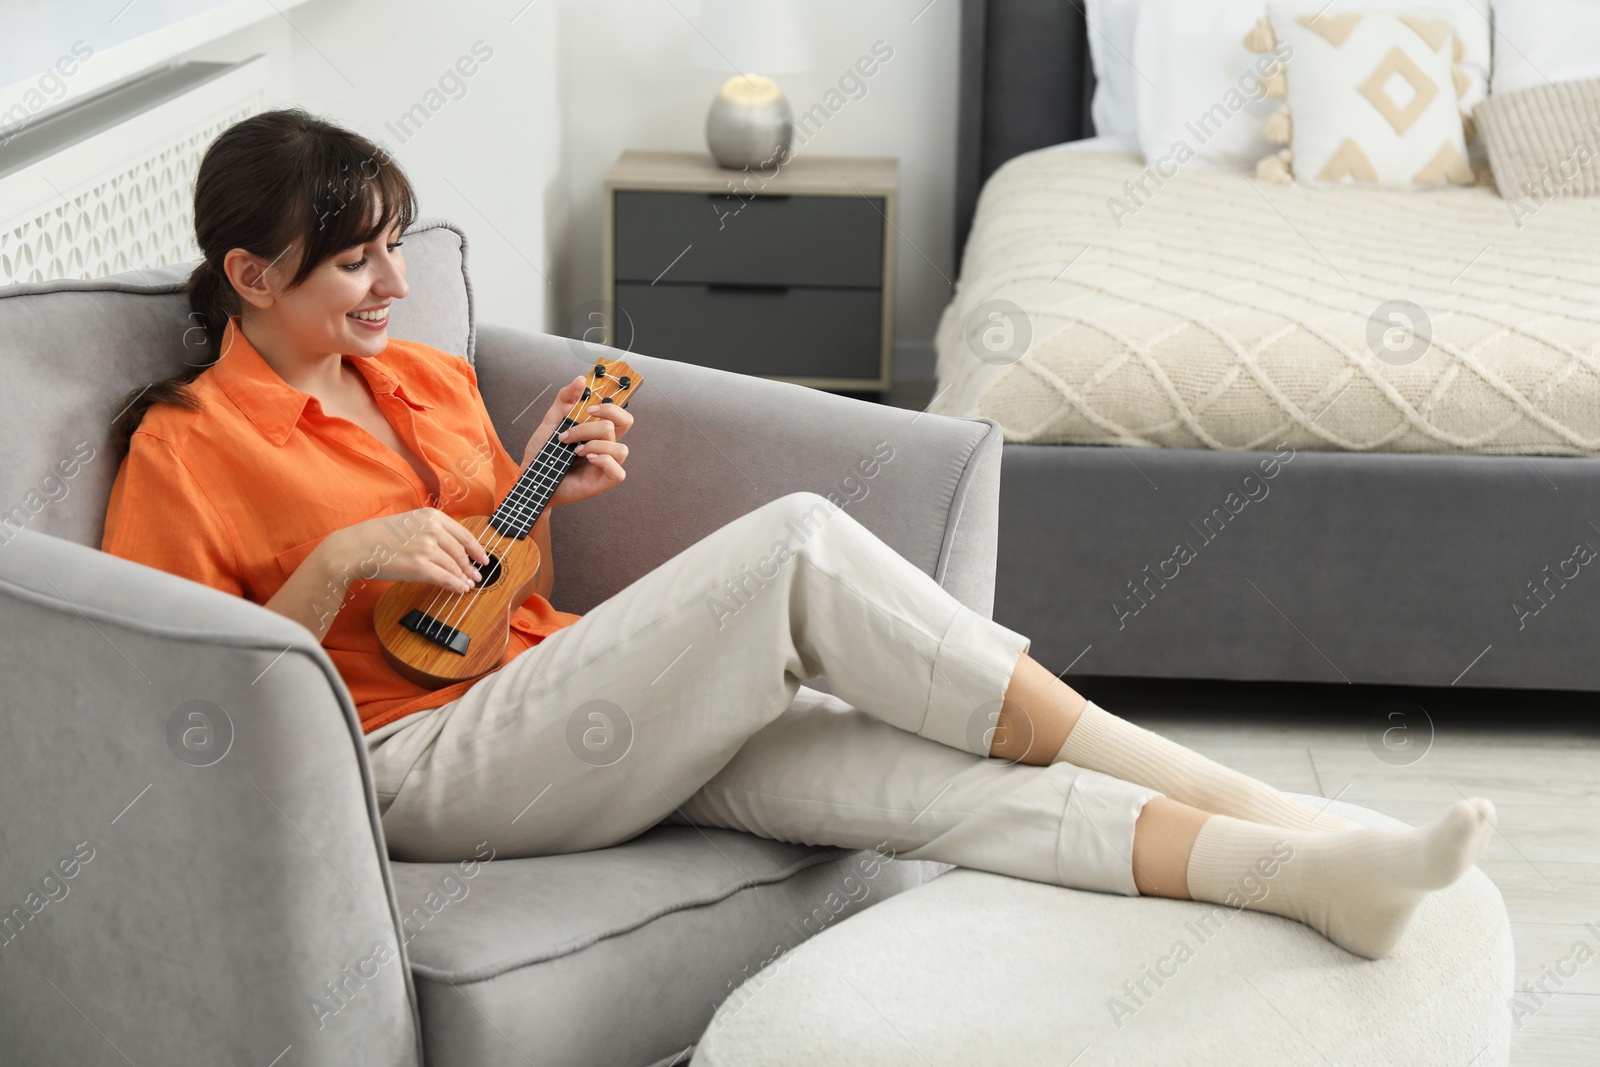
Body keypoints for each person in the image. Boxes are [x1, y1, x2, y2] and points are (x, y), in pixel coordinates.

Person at [102, 109, 1492, 962]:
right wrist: (339, 562)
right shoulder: (188, 447)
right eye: (358, 260)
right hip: (414, 766)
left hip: (559, 693)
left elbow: (478, 571)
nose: (399, 283)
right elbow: (180, 705)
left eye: (400, 246)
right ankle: (1251, 791)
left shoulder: (415, 375)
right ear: (249, 275)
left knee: (909, 780)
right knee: (796, 546)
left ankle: (1311, 876)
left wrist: (533, 500)